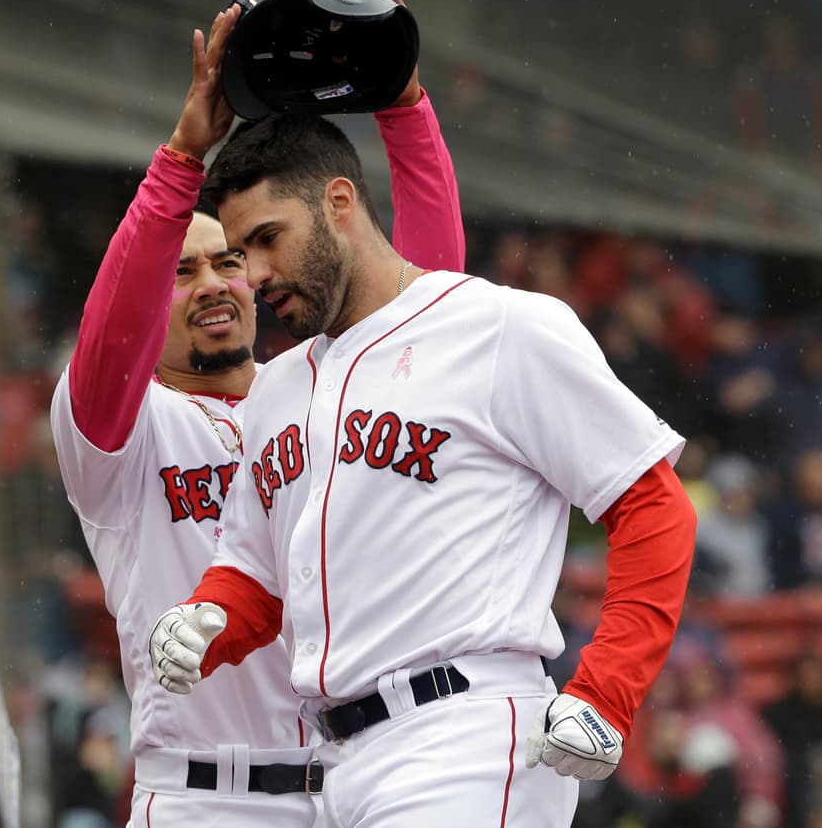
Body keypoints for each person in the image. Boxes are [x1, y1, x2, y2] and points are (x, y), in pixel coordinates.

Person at [149, 104, 697, 825]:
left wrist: (606, 691)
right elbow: (256, 574)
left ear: (339, 202)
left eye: (267, 239)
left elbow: (654, 505)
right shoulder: (275, 387)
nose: (253, 273)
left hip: (464, 735)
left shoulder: (498, 327)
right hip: (339, 768)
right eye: (241, 249)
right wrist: (208, 617)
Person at [49, 0, 466, 828]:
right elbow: (113, 338)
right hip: (209, 800)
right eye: (181, 268)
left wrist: (402, 103)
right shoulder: (121, 439)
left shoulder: (313, 393)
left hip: (356, 786)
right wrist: (182, 163)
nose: (211, 282)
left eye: (228, 259)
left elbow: (436, 304)